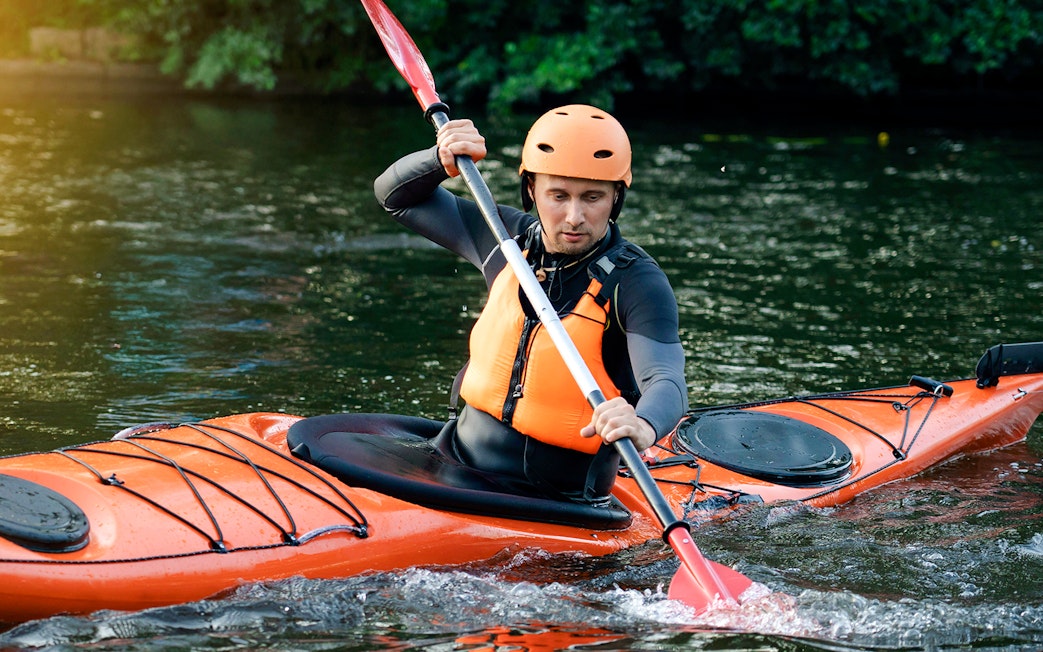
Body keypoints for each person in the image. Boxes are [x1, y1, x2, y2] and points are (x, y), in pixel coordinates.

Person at [373, 104, 688, 504]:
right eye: (558, 195)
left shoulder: (637, 281)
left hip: (557, 497)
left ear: (616, 198)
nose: (574, 217)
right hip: (456, 458)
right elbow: (394, 197)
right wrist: (439, 160)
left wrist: (643, 424)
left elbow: (667, 380)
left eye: (592, 197)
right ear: (531, 190)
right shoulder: (503, 239)